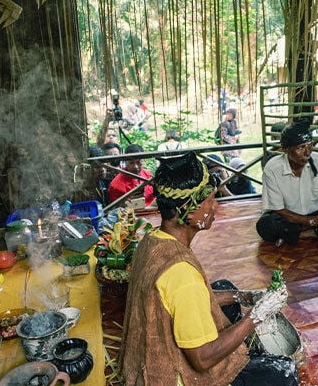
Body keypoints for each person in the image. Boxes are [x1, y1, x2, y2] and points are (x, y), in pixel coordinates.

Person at [119, 152, 297, 386]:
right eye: (211, 199)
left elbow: (182, 300)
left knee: (226, 289)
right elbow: (202, 360)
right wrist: (256, 316)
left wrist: (246, 296)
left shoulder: (153, 239)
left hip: (146, 356)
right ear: (190, 211)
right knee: (285, 373)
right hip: (174, 375)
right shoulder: (181, 274)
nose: (215, 206)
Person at [256, 119, 318, 245]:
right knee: (265, 225)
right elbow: (279, 210)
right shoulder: (273, 169)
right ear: (285, 149)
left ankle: (297, 234)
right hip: (287, 217)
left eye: (310, 145)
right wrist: (312, 222)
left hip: (316, 213)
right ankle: (312, 232)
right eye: (301, 147)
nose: (307, 152)